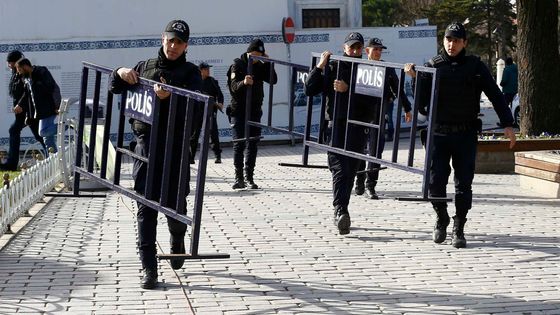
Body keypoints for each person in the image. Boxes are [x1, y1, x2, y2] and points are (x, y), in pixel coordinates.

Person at [404, 22, 516, 248]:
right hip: (438, 134)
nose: (451, 44)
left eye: (456, 40)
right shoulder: (432, 66)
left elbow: (494, 94)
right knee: (435, 183)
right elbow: (422, 106)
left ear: (464, 42)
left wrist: (507, 124)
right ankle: (442, 217)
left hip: (465, 134)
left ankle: (459, 226)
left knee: (463, 184)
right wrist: (416, 78)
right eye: (447, 39)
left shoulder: (475, 66)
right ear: (442, 41)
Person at [109, 19, 201, 289]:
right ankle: (149, 268)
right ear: (162, 38)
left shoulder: (191, 73)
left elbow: (197, 110)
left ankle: (177, 236)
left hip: (175, 149)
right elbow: (116, 88)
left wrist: (170, 98)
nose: (173, 46)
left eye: (179, 42)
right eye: (170, 40)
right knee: (144, 207)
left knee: (174, 205)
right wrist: (120, 71)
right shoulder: (144, 67)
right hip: (145, 147)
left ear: (186, 46)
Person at [304, 32, 375, 235]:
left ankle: (342, 209)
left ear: (363, 50)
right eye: (351, 47)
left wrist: (348, 88)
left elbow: (373, 102)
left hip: (357, 127)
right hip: (335, 127)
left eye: (358, 48)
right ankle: (340, 210)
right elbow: (309, 89)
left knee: (350, 172)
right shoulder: (333, 67)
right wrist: (320, 66)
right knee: (339, 169)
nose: (354, 51)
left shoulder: (367, 70)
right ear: (344, 48)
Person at [354, 37, 413, 199]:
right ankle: (359, 179)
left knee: (375, 152)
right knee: (358, 149)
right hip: (359, 115)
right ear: (367, 51)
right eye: (375, 49)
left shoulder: (387, 68)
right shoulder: (358, 66)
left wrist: (407, 108)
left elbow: (398, 89)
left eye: (380, 50)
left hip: (378, 116)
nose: (378, 52)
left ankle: (370, 185)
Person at [226, 38, 277, 189]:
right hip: (239, 111)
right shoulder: (238, 64)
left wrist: (268, 63)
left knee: (253, 143)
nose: (257, 58)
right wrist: (244, 83)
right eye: (256, 55)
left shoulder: (260, 66)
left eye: (260, 55)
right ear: (249, 53)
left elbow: (273, 80)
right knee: (239, 144)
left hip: (255, 111)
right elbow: (233, 87)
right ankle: (238, 177)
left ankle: (249, 177)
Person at [0, 51, 46, 171]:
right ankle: (53, 156)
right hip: (22, 112)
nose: (8, 65)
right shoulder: (15, 73)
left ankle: (11, 163)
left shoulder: (22, 73)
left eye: (10, 62)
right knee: (39, 135)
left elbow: (28, 91)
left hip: (29, 110)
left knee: (18, 131)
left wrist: (20, 104)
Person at [15, 58, 59, 154]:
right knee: (47, 139)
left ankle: (65, 126)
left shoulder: (41, 71)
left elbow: (52, 88)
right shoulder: (26, 78)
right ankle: (53, 157)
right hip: (41, 111)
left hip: (50, 107)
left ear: (26, 66)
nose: (19, 73)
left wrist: (57, 106)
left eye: (20, 70)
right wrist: (19, 104)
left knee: (43, 132)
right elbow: (27, 93)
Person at [190, 62, 224, 164]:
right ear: (201, 70)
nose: (208, 71)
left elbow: (220, 94)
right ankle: (191, 157)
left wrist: (220, 103)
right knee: (194, 134)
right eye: (206, 69)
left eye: (208, 69)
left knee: (213, 133)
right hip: (197, 112)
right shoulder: (195, 81)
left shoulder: (212, 81)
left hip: (210, 111)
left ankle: (218, 156)